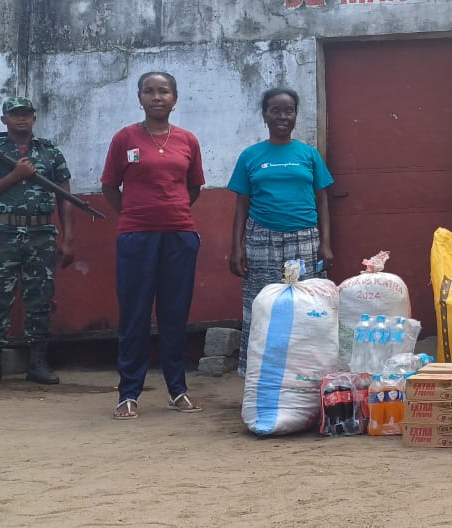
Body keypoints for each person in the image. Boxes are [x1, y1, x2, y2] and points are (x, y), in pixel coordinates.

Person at [101, 72, 205, 420]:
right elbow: (109, 187)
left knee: (175, 315)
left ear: (175, 98)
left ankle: (178, 391)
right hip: (136, 237)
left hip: (179, 235)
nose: (157, 97)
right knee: (135, 315)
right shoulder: (124, 139)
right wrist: (136, 215)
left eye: (164, 91)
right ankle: (128, 394)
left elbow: (193, 189)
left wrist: (170, 214)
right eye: (149, 91)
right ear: (139, 98)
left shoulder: (188, 140)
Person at [0, 97, 75, 387]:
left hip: (41, 235)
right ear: (5, 120)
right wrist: (15, 175)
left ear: (34, 119)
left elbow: (64, 196)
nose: (21, 119)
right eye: (15, 115)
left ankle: (38, 364)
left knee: (40, 300)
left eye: (27, 114)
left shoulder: (50, 152)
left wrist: (69, 238)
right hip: (2, 235)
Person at [227, 87, 334, 375]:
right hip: (262, 239)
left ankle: (308, 374)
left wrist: (326, 243)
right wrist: (236, 247)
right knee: (262, 308)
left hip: (305, 240)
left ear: (296, 115)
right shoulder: (251, 155)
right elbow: (241, 205)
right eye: (275, 110)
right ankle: (259, 374)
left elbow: (322, 200)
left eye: (289, 110)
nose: (282, 116)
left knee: (307, 307)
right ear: (265, 115)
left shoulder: (309, 155)